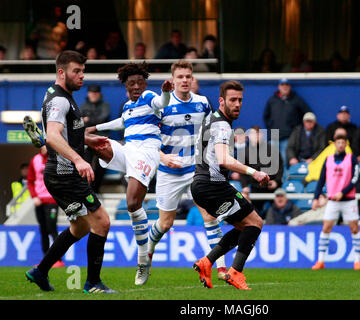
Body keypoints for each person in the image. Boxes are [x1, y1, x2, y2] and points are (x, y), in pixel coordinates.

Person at [24, 50, 116, 293]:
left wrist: (87, 139)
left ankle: (40, 271)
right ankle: (93, 283)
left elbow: (62, 134)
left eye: (83, 71)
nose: (82, 76)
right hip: (65, 175)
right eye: (77, 71)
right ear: (62, 72)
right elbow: (53, 136)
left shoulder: (63, 96)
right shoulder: (60, 100)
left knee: (80, 227)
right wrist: (79, 160)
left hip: (60, 174)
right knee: (102, 223)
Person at [84, 62, 172, 286]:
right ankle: (75, 149)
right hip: (129, 148)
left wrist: (165, 91)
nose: (136, 86)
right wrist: (95, 128)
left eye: (140, 82)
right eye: (131, 83)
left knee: (132, 204)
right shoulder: (127, 106)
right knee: (99, 145)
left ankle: (143, 259)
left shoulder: (151, 96)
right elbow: (122, 122)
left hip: (147, 152)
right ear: (126, 87)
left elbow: (162, 102)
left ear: (145, 84)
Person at [146, 60, 228, 281]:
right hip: (168, 170)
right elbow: (149, 139)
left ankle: (220, 268)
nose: (184, 80)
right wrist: (163, 156)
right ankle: (147, 250)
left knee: (210, 215)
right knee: (165, 224)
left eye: (188, 76)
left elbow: (212, 131)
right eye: (180, 77)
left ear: (192, 79)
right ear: (172, 80)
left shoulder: (202, 103)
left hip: (195, 169)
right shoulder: (160, 105)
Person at [191, 80, 270, 290]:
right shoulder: (222, 125)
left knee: (245, 226)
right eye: (232, 100)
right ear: (221, 101)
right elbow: (224, 159)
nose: (237, 104)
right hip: (212, 185)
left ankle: (207, 262)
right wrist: (255, 172)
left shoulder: (211, 119)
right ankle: (235, 272)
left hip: (202, 186)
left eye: (240, 100)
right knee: (255, 223)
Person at [311, 134, 360, 270]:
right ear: (334, 144)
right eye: (338, 142)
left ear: (346, 144)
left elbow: (355, 178)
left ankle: (357, 261)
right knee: (326, 227)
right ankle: (320, 260)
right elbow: (321, 180)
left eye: (342, 142)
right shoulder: (328, 160)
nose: (340, 145)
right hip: (333, 200)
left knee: (354, 228)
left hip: (349, 199)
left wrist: (343, 192)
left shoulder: (352, 158)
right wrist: (316, 198)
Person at [27, 146, 64, 267]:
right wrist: (34, 196)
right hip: (39, 201)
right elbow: (30, 180)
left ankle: (57, 260)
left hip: (52, 201)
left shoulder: (56, 159)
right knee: (43, 230)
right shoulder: (35, 160)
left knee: (52, 229)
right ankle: (45, 260)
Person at [263, 78, 312, 166]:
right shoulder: (272, 100)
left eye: (287, 85)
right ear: (279, 87)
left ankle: (284, 180)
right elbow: (266, 116)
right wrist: (271, 128)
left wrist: (296, 130)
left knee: (284, 163)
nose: (284, 87)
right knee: (272, 164)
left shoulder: (296, 99)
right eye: (282, 85)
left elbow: (307, 114)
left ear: (290, 87)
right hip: (274, 136)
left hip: (288, 137)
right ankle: (272, 180)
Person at [240, 125, 284, 218]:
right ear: (249, 136)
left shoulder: (272, 149)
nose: (255, 136)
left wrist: (277, 181)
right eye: (253, 134)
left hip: (271, 187)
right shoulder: (245, 152)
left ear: (262, 135)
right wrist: (245, 186)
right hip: (255, 187)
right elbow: (242, 172)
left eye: (258, 134)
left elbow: (280, 168)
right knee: (252, 212)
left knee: (278, 210)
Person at [80, 84, 111, 192]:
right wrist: (94, 120)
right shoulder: (83, 106)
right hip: (87, 140)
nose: (93, 95)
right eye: (91, 93)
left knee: (101, 165)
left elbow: (103, 119)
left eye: (95, 93)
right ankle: (87, 189)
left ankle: (95, 189)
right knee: (85, 163)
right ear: (88, 94)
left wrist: (88, 119)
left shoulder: (105, 105)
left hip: (102, 139)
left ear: (99, 94)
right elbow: (79, 122)